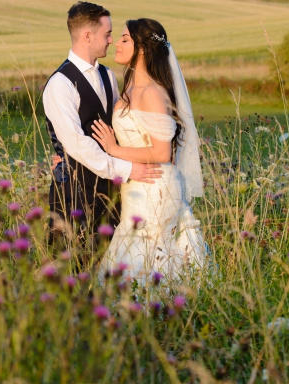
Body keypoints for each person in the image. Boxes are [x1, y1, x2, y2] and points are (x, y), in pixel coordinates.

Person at [88, 17, 208, 288]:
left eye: (124, 39)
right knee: (136, 247)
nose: (116, 43)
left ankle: (156, 308)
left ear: (142, 49)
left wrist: (113, 148)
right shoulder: (131, 86)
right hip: (139, 184)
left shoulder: (152, 92)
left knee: (149, 251)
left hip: (155, 185)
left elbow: (163, 152)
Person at [40, 1, 161, 261]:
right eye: (107, 34)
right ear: (87, 35)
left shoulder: (107, 75)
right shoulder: (60, 84)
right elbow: (76, 143)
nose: (110, 41)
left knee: (110, 268)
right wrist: (128, 170)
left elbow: (117, 129)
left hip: (112, 194)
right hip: (74, 195)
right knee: (73, 271)